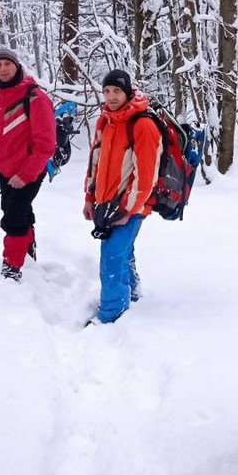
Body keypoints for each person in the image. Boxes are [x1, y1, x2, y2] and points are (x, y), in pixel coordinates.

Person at [83, 69, 161, 323]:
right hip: (107, 203)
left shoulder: (143, 125)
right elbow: (95, 161)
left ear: (127, 92)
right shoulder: (105, 121)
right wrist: (89, 198)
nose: (111, 96)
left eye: (117, 91)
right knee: (122, 252)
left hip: (131, 207)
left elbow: (145, 177)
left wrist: (125, 211)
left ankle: (111, 316)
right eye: (106, 91)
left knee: (111, 260)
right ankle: (134, 292)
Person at [0, 47, 56, 281]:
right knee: (17, 213)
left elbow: (46, 145)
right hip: (6, 169)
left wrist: (25, 174)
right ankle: (28, 256)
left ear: (17, 66)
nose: (3, 69)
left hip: (30, 169)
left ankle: (12, 267)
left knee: (13, 217)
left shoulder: (34, 97)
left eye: (7, 64)